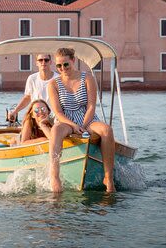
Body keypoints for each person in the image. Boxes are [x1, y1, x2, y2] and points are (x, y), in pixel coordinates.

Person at [47, 47, 116, 193]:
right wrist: (73, 125)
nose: (62, 68)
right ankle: (54, 177)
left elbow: (91, 106)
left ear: (73, 60)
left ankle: (108, 178)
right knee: (55, 130)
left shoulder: (88, 78)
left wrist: (83, 126)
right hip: (66, 120)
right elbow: (58, 112)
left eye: (66, 64)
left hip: (87, 118)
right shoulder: (53, 84)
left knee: (107, 130)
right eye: (59, 66)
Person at [7, 53, 56, 123]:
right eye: (40, 60)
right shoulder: (32, 78)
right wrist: (15, 111)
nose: (43, 62)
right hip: (36, 115)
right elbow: (27, 98)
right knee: (25, 126)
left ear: (50, 62)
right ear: (37, 63)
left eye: (46, 60)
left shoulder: (58, 78)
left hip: (53, 117)